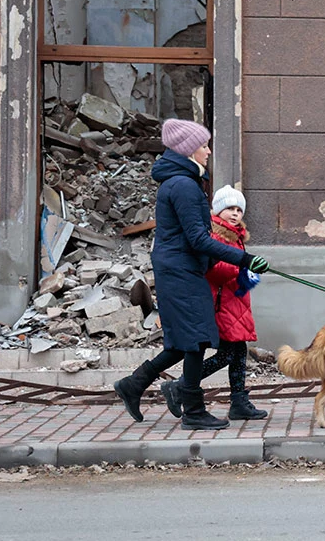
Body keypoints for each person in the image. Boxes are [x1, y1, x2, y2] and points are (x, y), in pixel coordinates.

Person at [113, 119, 269, 430]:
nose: (208, 151)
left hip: (183, 268)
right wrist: (244, 259)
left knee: (183, 342)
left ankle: (133, 384)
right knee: (197, 340)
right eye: (203, 145)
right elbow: (198, 238)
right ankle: (194, 411)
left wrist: (233, 264)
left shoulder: (183, 181)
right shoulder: (183, 185)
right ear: (188, 150)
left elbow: (194, 239)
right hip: (181, 271)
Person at [160, 185, 269, 421]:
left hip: (234, 302)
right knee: (227, 353)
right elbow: (214, 270)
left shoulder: (237, 237)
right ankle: (180, 386)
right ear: (218, 210)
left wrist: (249, 273)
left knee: (238, 352)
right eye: (230, 208)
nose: (235, 213)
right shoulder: (215, 236)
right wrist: (242, 265)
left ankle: (238, 401)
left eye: (239, 210)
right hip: (220, 304)